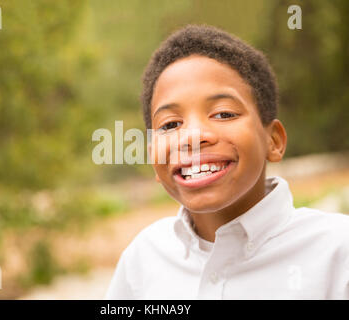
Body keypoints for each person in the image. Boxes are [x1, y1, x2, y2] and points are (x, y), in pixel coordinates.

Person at [105, 24, 349, 299]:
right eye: (171, 124)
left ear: (274, 141)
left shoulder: (338, 254)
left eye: (223, 114)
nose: (194, 137)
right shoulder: (142, 260)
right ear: (153, 158)